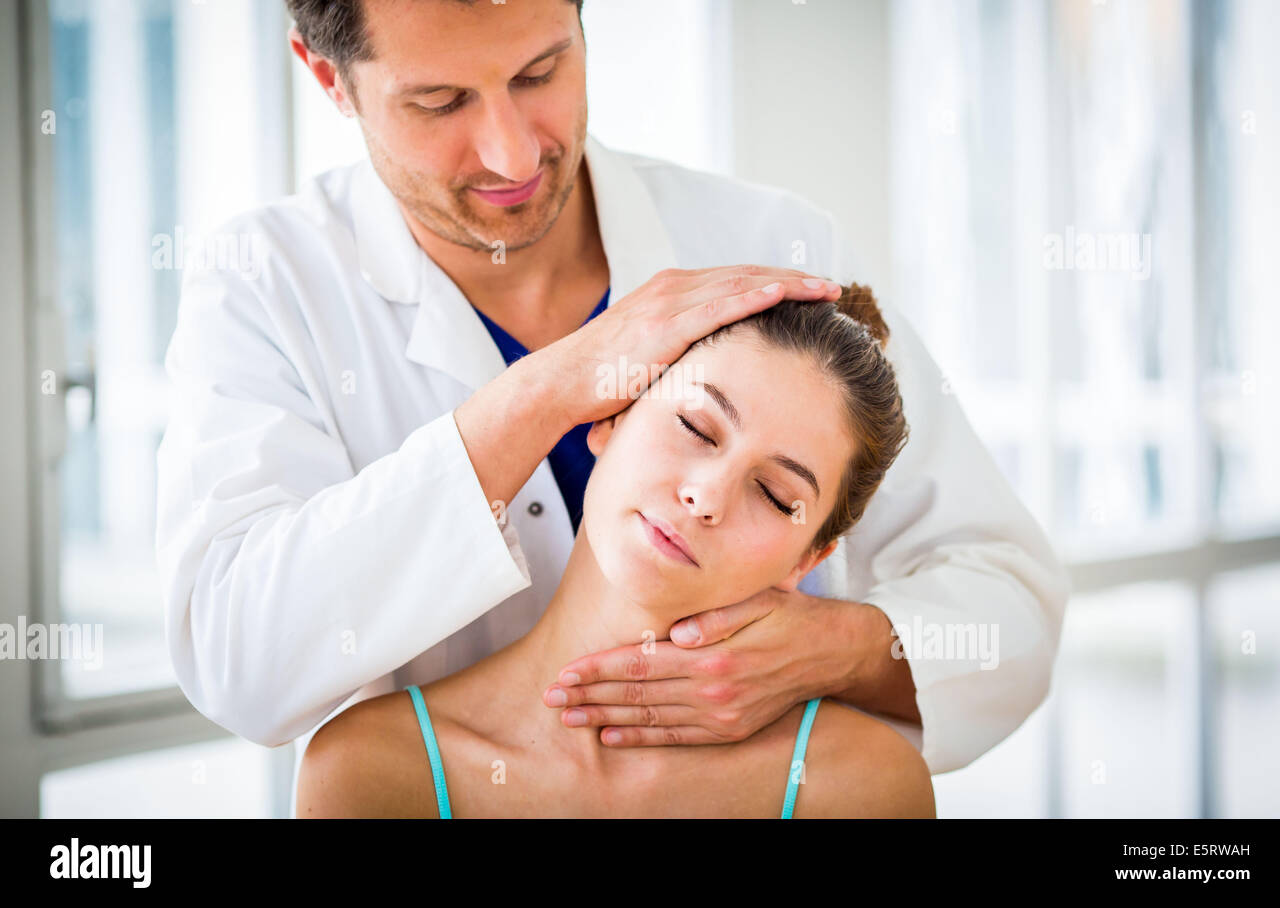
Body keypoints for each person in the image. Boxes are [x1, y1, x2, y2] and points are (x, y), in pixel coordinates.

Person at [154, 0, 1070, 812]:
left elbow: (1007, 604)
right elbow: (242, 656)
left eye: (541, 72)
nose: (512, 156)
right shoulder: (265, 286)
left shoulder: (772, 249)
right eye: (438, 102)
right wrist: (549, 389)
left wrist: (825, 652)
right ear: (328, 78)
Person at [297, 284, 935, 817]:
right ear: (609, 419)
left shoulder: (861, 785)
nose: (706, 496)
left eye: (772, 493)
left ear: (808, 560)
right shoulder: (373, 769)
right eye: (694, 426)